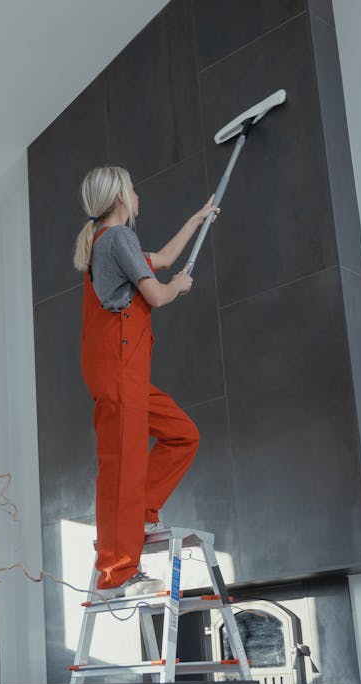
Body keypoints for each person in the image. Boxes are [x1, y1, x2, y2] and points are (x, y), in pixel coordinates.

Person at [73, 165, 218, 598]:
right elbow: (156, 293)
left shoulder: (113, 243)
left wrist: (197, 219)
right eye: (134, 190)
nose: (138, 196)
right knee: (122, 464)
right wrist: (177, 287)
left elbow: (166, 258)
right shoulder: (117, 238)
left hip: (126, 371)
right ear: (121, 196)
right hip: (119, 368)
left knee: (182, 434)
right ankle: (117, 572)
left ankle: (141, 512)